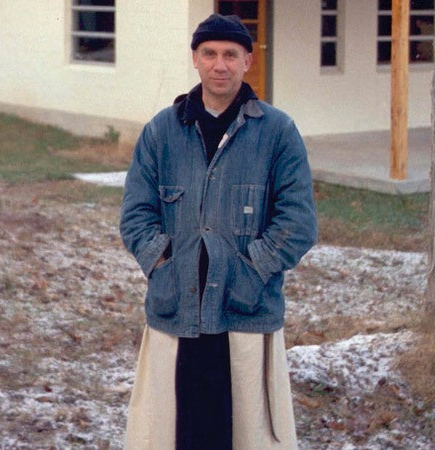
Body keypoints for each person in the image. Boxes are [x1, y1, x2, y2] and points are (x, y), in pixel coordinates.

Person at [120, 13, 317, 450]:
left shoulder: (278, 133)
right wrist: (164, 265)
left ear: (248, 61)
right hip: (177, 310)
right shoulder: (161, 132)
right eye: (209, 53)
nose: (220, 65)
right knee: (176, 435)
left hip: (244, 312)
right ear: (195, 59)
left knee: (243, 436)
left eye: (231, 54)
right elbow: (135, 216)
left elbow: (298, 222)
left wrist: (250, 272)